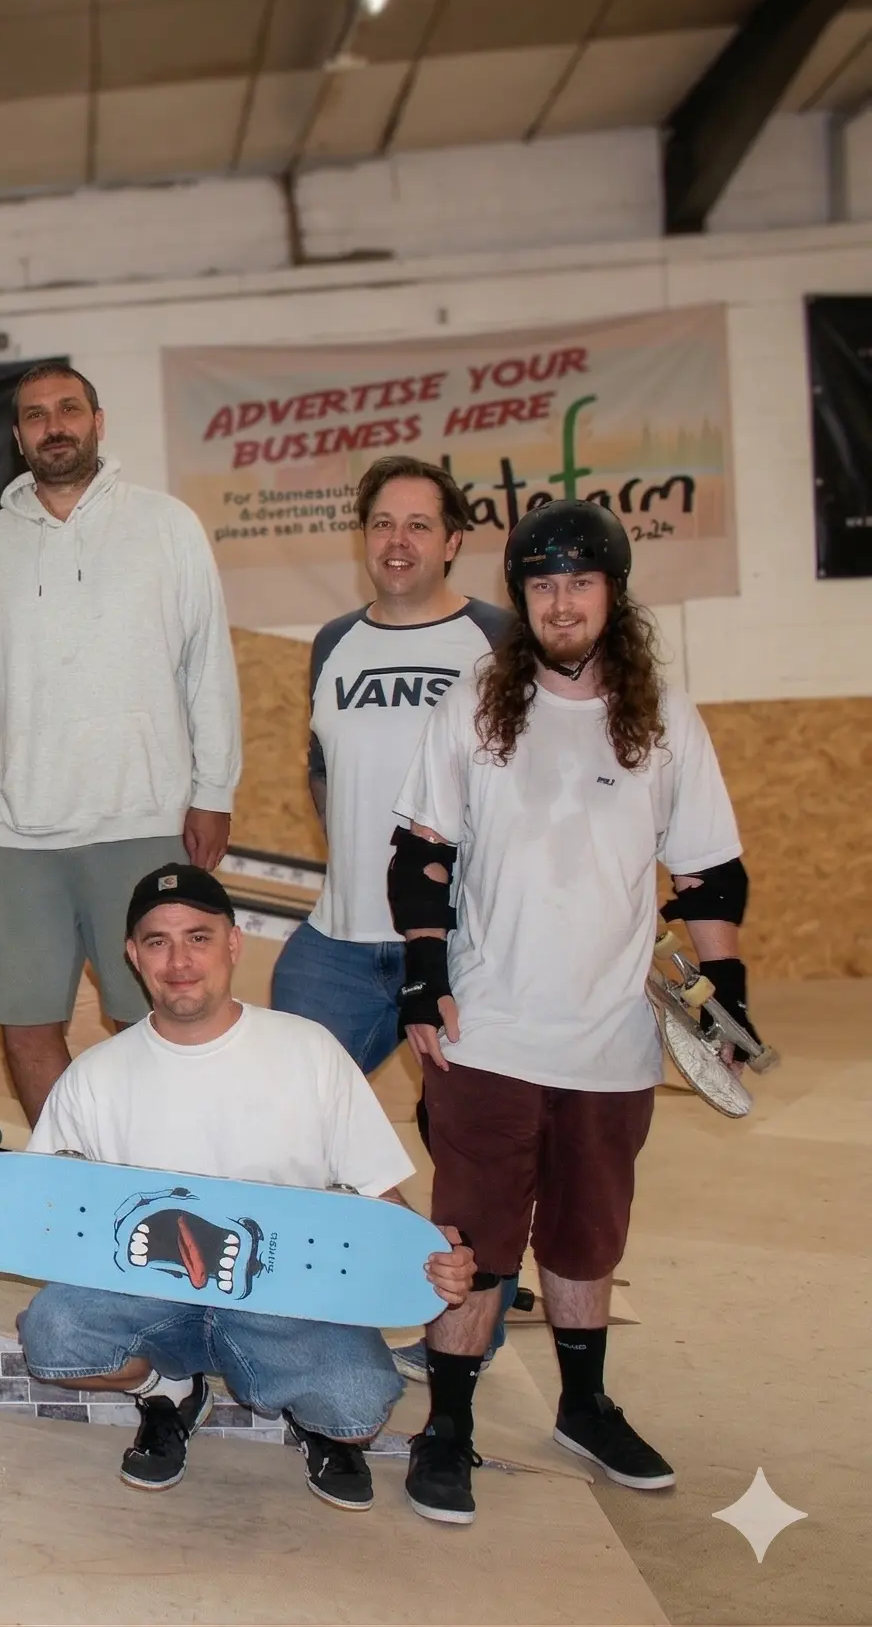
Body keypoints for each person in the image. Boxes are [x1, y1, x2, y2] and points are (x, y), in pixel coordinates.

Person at [392, 503, 754, 1526]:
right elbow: (420, 855)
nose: (559, 600)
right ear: (521, 595)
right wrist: (422, 976)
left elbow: (708, 871)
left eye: (578, 581)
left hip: (613, 1038)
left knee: (587, 1238)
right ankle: (448, 1422)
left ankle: (583, 1404)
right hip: (487, 1032)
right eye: (540, 583)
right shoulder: (473, 701)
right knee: (476, 1237)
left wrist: (723, 989)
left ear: (611, 591)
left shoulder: (663, 718)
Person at [0, 865, 475, 1508]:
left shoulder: (309, 1051)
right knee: (54, 1338)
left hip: (280, 1296)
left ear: (233, 943)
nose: (179, 960)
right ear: (132, 956)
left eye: (199, 937)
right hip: (146, 1292)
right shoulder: (96, 1075)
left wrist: (427, 1254)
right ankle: (167, 1390)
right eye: (157, 941)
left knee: (358, 1407)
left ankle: (309, 1415)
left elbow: (379, 1190)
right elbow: (43, 1206)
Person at [0, 363, 242, 1124]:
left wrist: (214, 790)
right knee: (26, 1024)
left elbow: (207, 663)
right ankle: (77, 1180)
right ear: (18, 437)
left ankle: (170, 1174)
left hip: (142, 822)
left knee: (158, 1022)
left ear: (99, 421)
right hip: (20, 836)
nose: (54, 426)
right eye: (36, 416)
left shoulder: (166, 525)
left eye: (69, 409)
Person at [274, 456, 510, 1073]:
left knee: (468, 1143)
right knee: (288, 1120)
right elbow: (322, 765)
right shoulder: (333, 643)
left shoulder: (501, 640)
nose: (397, 542)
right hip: (339, 942)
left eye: (419, 526)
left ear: (453, 540)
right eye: (382, 525)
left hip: (463, 944)